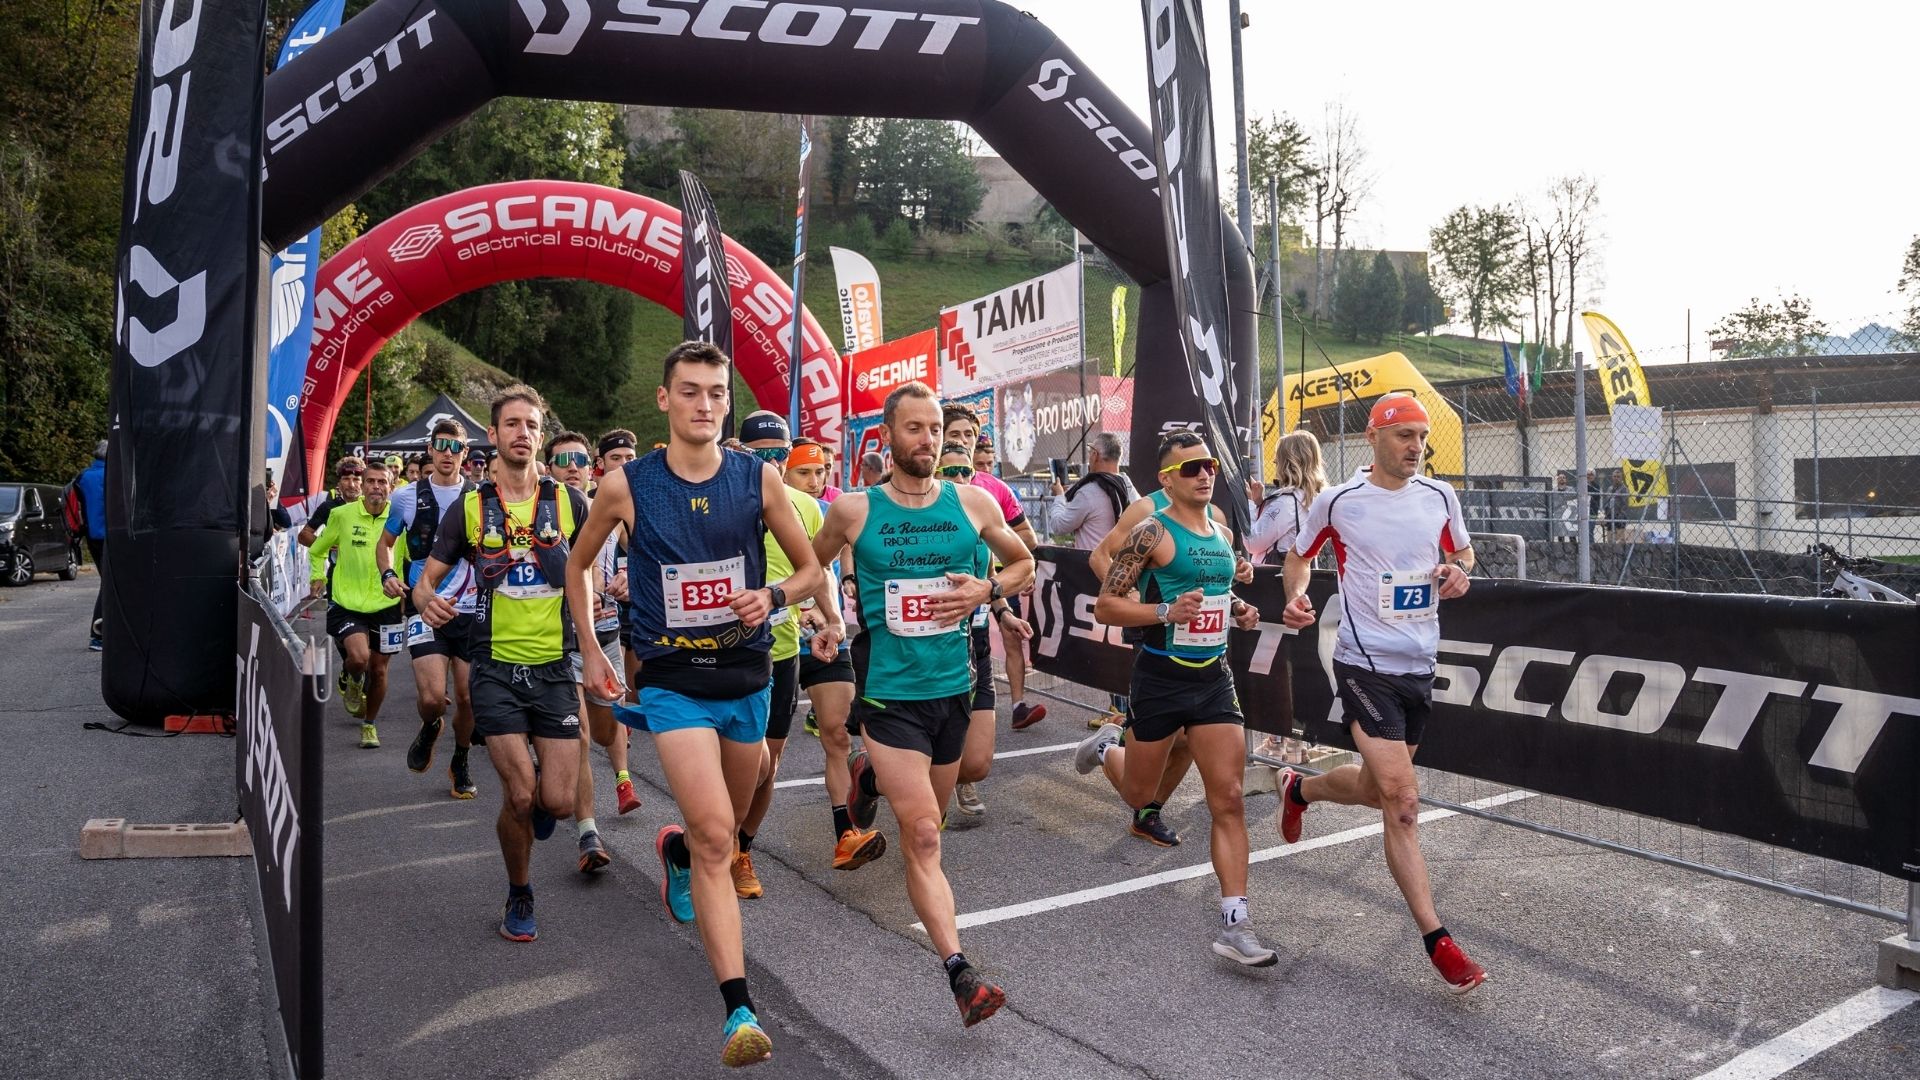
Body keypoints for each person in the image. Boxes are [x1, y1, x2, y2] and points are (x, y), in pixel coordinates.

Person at [567, 342, 822, 1068]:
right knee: (719, 837)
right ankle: (738, 1009)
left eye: (716, 392)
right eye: (690, 392)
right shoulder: (627, 487)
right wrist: (591, 646)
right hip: (674, 682)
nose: (705, 404)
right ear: (664, 400)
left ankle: (675, 851)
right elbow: (579, 565)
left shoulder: (757, 477)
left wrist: (770, 596)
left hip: (748, 677)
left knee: (732, 824)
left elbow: (808, 570)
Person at [813, 380, 1032, 1028]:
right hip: (890, 695)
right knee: (927, 834)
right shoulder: (855, 510)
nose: (928, 440)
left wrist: (987, 589)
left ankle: (870, 775)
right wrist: (821, 611)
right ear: (889, 436)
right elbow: (813, 563)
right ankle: (960, 972)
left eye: (935, 429)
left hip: (951, 692)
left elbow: (1025, 563)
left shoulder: (970, 503)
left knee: (930, 815)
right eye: (915, 428)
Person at [1276, 393, 1487, 994]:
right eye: (1404, 436)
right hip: (1363, 664)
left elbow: (1462, 550)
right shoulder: (1338, 501)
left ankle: (1303, 788)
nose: (1416, 447)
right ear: (1373, 438)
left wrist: (1458, 569)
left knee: (1375, 788)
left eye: (1422, 437)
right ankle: (1438, 941)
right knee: (1401, 799)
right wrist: (1294, 597)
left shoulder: (1440, 496)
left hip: (1419, 664)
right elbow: (1298, 559)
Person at [1071, 431, 1275, 965]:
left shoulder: (1222, 532)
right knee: (1141, 795)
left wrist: (1237, 610)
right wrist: (1164, 614)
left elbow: (1215, 592)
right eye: (1190, 469)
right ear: (1166, 479)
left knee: (1226, 799)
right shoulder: (1149, 532)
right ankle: (1108, 747)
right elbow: (1107, 607)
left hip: (1213, 679)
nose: (1204, 474)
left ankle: (1236, 922)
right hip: (1159, 680)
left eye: (1208, 465)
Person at [414, 385, 590, 945]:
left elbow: (582, 580)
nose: (522, 433)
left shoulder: (569, 503)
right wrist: (424, 599)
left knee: (558, 803)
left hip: (555, 668)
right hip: (492, 666)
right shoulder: (471, 506)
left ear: (540, 435)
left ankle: (540, 808)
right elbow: (427, 579)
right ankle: (519, 890)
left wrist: (591, 649)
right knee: (519, 796)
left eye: (531, 425)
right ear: (492, 435)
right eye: (511, 424)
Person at [781, 437, 884, 868]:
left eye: (821, 470)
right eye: (805, 471)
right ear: (783, 473)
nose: (815, 479)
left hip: (826, 633)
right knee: (764, 762)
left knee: (838, 735)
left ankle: (846, 833)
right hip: (775, 639)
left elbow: (837, 558)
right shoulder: (762, 505)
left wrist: (840, 595)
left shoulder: (835, 508)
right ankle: (734, 844)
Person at [939, 404, 1042, 823]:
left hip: (974, 634)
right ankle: (915, 791)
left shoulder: (987, 499)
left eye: (968, 435)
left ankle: (959, 777)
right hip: (924, 641)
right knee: (929, 738)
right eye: (954, 434)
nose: (961, 444)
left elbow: (1007, 558)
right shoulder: (906, 500)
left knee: (978, 760)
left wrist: (1001, 608)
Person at [376, 418, 479, 799]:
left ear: (465, 455)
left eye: (456, 447)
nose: (448, 454)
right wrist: (388, 573)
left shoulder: (480, 497)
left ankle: (462, 758)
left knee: (469, 698)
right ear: (431, 450)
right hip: (425, 607)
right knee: (434, 698)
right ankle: (431, 724)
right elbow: (385, 543)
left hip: (470, 610)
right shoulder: (405, 496)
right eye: (442, 446)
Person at [547, 430, 625, 873]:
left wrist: (608, 588)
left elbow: (600, 563)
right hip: (558, 644)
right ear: (550, 469)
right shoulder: (535, 510)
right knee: (577, 735)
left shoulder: (608, 504)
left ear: (590, 465)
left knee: (605, 731)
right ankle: (588, 833)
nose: (572, 466)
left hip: (604, 637)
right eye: (563, 460)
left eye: (579, 458)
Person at [1242, 430, 1326, 764]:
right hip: (1308, 587)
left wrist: (1252, 503)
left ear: (1286, 460)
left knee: (1274, 663)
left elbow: (1254, 542)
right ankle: (1297, 741)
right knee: (1299, 663)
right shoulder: (1319, 498)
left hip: (1278, 588)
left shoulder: (1285, 501)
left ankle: (1282, 741)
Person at [308, 458, 402, 748]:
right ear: (363, 485)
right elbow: (316, 549)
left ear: (391, 486)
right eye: (370, 481)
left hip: (387, 604)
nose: (376, 487)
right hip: (348, 601)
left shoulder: (400, 519)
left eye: (382, 482)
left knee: (379, 670)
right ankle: (351, 674)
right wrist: (317, 576)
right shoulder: (343, 515)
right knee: (360, 658)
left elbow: (413, 558)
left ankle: (369, 724)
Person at [594, 428, 644, 817]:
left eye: (630, 458)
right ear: (601, 464)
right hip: (560, 626)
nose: (625, 466)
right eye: (616, 459)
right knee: (587, 726)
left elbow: (646, 552)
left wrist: (633, 573)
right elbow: (585, 561)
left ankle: (623, 782)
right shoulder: (583, 504)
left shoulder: (633, 503)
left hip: (616, 616)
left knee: (621, 698)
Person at [1047, 432, 1138, 552]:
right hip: (1121, 565)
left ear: (1095, 455)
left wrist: (1059, 496)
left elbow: (1059, 526)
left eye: (1090, 451)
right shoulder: (1127, 485)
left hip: (1091, 565)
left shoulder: (1088, 493)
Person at [74, 441, 109, 650]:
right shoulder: (114, 475)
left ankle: (105, 634)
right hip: (112, 536)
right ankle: (98, 635)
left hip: (91, 536)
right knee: (111, 585)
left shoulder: (83, 477)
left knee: (108, 581)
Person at [294, 455, 365, 546]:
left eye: (356, 480)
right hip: (339, 560)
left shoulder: (372, 505)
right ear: (339, 484)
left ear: (363, 482)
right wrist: (329, 546)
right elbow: (303, 536)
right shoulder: (329, 507)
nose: (351, 485)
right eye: (346, 479)